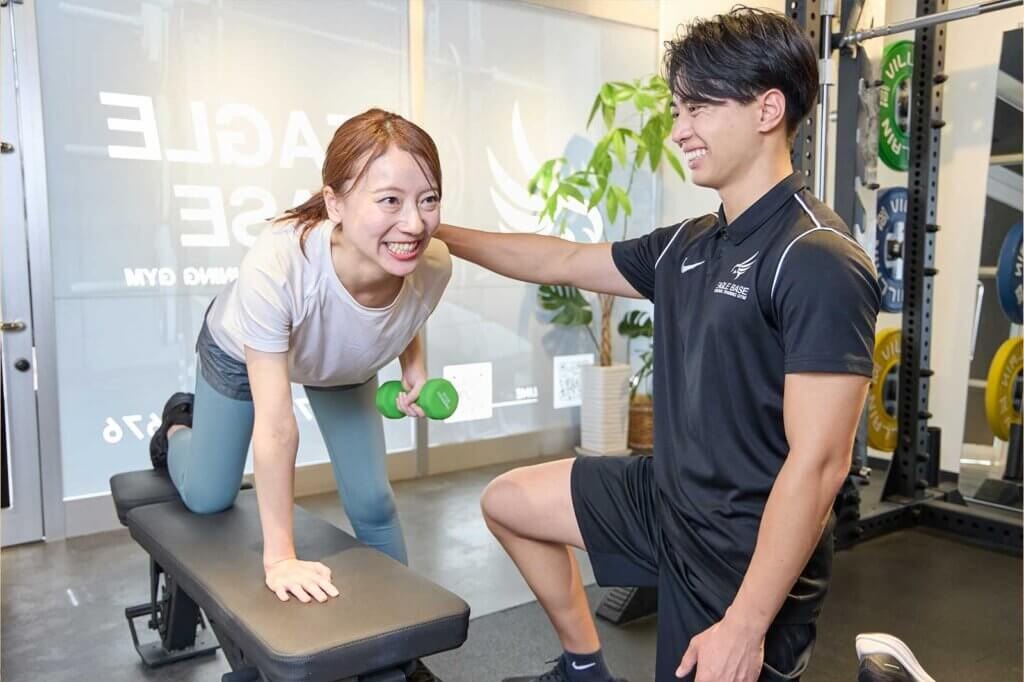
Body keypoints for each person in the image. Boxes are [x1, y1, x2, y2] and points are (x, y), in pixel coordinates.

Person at [437, 8, 881, 682]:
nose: (678, 131)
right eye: (679, 110)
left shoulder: (815, 257)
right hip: (667, 500)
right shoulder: (690, 243)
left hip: (740, 552)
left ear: (767, 110)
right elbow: (561, 260)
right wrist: (434, 234)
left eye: (698, 108)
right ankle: (583, 669)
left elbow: (821, 464)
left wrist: (746, 624)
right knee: (509, 502)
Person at [148, 108, 450, 681]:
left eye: (428, 199)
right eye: (389, 200)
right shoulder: (279, 263)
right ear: (335, 202)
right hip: (241, 351)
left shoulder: (433, 263)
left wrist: (414, 365)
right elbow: (277, 425)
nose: (413, 223)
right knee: (208, 497)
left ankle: (401, 657)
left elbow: (407, 310)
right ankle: (179, 427)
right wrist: (281, 557)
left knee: (374, 503)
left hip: (340, 360)